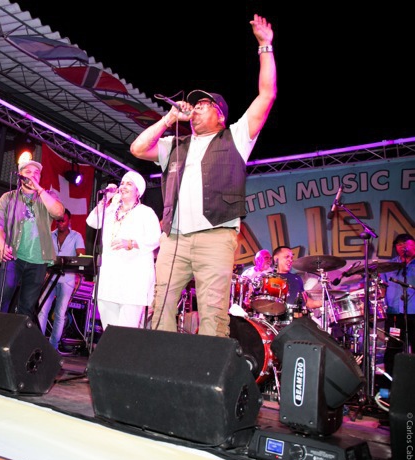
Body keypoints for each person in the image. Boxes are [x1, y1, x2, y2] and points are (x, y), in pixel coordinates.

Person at [129, 14, 277, 337]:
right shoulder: (176, 145)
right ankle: (161, 364)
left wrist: (265, 46)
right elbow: (137, 149)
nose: (195, 108)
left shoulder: (235, 138)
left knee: (212, 314)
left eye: (203, 104)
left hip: (215, 236)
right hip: (174, 239)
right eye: (193, 105)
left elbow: (266, 96)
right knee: (160, 306)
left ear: (220, 115)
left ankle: (209, 369)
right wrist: (169, 119)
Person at [0, 159, 65, 322]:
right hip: (13, 255)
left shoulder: (47, 196)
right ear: (20, 176)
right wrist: (2, 245)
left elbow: (59, 213)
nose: (33, 175)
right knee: (3, 296)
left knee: (27, 306)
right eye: (28, 172)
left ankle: (18, 336)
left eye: (36, 173)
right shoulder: (8, 197)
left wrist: (39, 189)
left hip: (38, 259)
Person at [86, 171, 161, 329]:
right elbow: (92, 221)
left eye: (129, 184)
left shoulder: (146, 212)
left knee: (126, 331)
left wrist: (131, 243)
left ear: (138, 191)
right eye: (122, 183)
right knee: (109, 330)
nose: (123, 186)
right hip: (109, 279)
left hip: (133, 280)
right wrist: (105, 200)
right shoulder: (110, 210)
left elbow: (155, 238)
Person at [37, 209, 86, 350]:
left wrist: (73, 260)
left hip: (67, 279)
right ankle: (39, 343)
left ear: (69, 221)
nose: (60, 224)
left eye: (63, 221)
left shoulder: (76, 236)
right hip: (51, 277)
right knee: (42, 310)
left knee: (60, 313)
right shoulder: (50, 235)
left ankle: (53, 346)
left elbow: (81, 256)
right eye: (58, 221)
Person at [380, 233, 415, 384]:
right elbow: (381, 289)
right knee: (393, 350)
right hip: (394, 313)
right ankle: (391, 386)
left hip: (414, 313)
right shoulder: (388, 266)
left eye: (406, 243)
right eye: (399, 244)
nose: (402, 247)